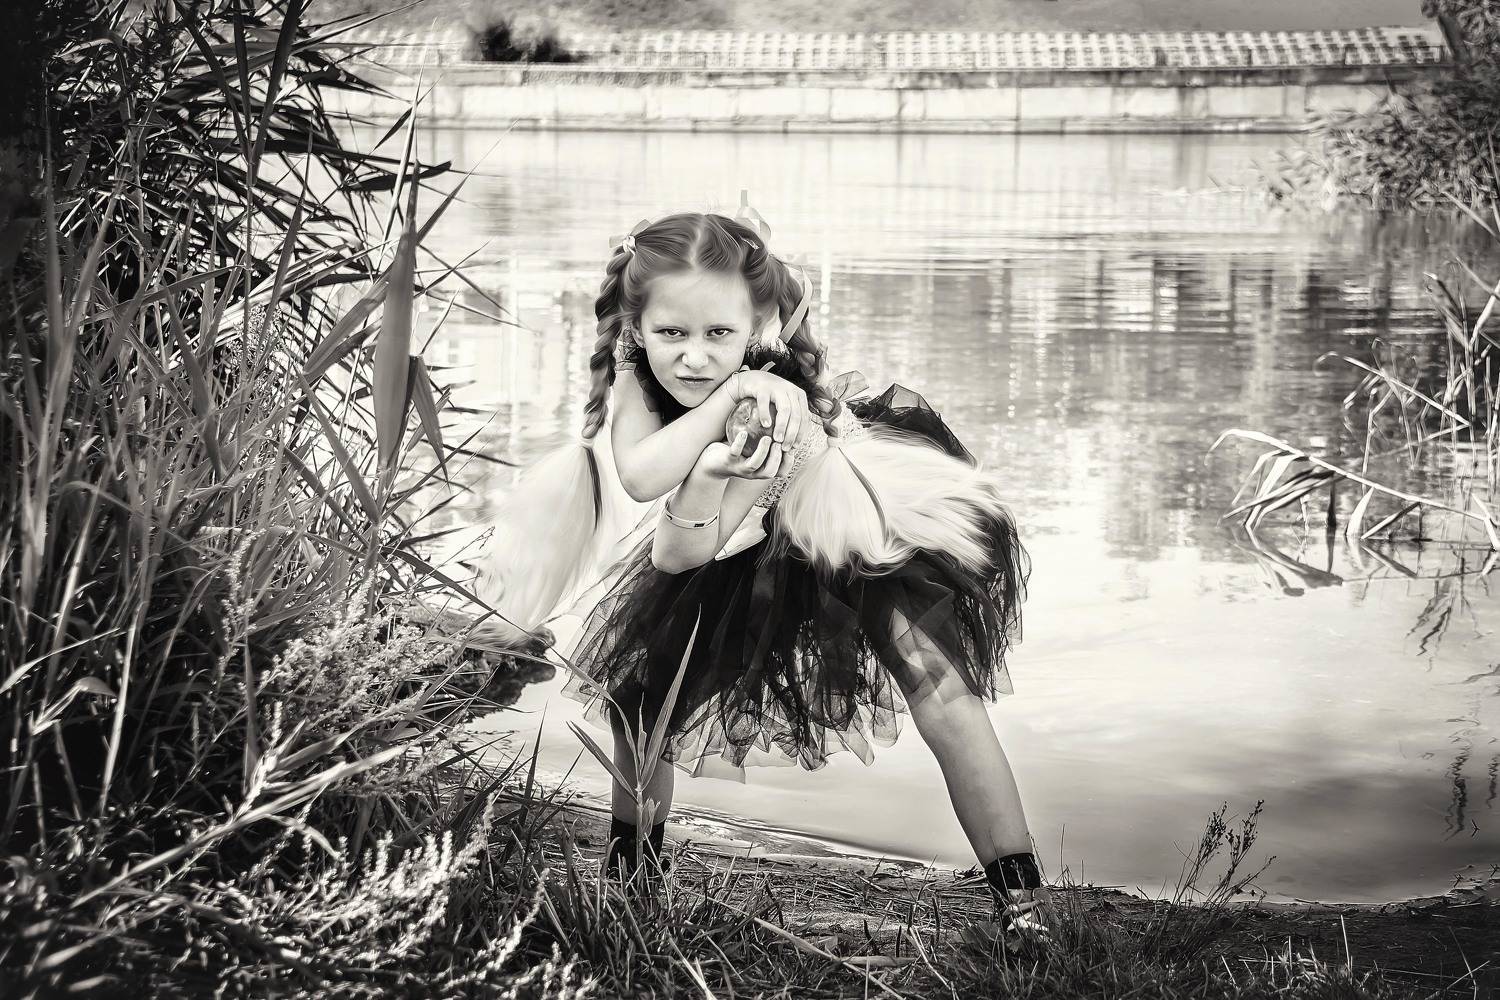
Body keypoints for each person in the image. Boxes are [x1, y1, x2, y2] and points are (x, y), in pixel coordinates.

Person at [476, 196, 1049, 949]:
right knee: (639, 700)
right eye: (672, 333)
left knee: (939, 691)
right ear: (635, 328)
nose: (694, 357)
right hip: (738, 527)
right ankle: (633, 880)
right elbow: (644, 476)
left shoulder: (769, 407)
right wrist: (719, 416)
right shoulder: (645, 374)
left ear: (756, 328)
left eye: (719, 334)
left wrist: (731, 424)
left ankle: (1023, 905)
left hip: (856, 528)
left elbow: (681, 550)